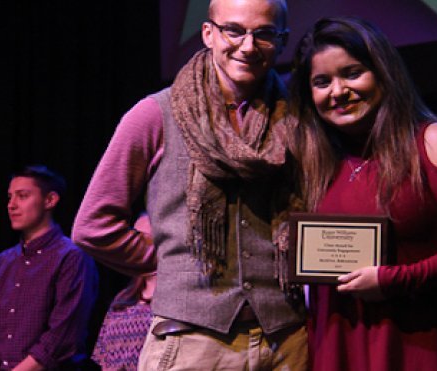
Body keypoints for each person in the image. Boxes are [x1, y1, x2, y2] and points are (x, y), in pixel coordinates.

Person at [72, 0, 308, 370]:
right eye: (234, 30)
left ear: (282, 40)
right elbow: (93, 226)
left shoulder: (299, 119)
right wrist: (166, 261)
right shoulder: (156, 114)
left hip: (286, 341)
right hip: (191, 342)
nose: (247, 46)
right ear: (208, 34)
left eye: (263, 34)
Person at [288, 17, 437, 370]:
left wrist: (397, 280)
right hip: (337, 339)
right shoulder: (315, 161)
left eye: (353, 73)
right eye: (321, 82)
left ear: (384, 73)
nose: (338, 91)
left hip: (419, 342)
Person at [0, 165, 99, 371]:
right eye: (10, 197)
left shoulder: (71, 257)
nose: (11, 205)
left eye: (22, 196)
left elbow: (64, 334)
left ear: (50, 200)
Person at [91, 213, 156, 371]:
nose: (137, 247)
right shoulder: (123, 299)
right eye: (135, 238)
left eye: (145, 239)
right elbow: (103, 359)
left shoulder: (173, 304)